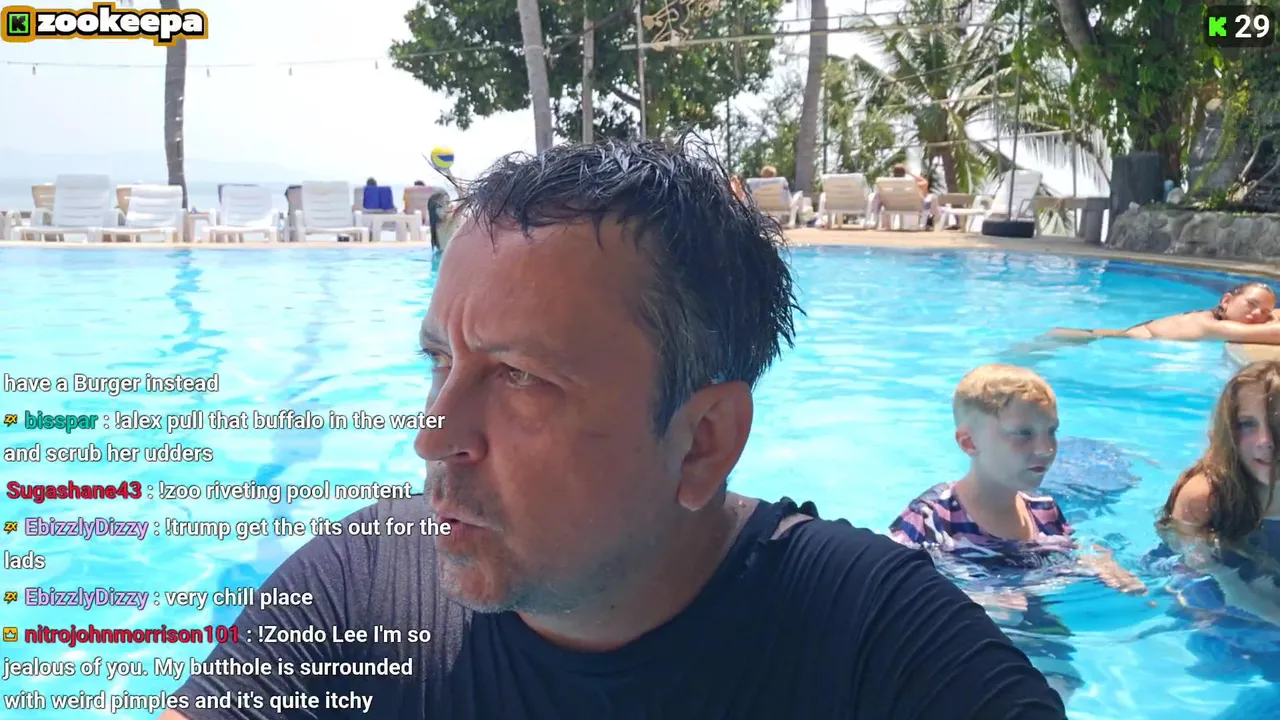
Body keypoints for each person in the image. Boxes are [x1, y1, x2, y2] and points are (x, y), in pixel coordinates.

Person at [163, 140, 1066, 720]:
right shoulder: (362, 590)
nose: (433, 438)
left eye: (520, 377)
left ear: (703, 440)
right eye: (441, 361)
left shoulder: (874, 645)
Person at [888, 364, 1145, 592]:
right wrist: (976, 598)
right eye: (1023, 433)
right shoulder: (930, 519)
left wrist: (1096, 561)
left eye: (1051, 431)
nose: (1046, 449)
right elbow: (889, 587)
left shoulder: (1044, 511)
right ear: (969, 443)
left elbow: (1062, 560)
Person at [1157, 359, 1280, 625]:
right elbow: (1194, 573)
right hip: (1216, 605)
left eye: (1277, 423)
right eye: (1247, 424)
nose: (1266, 441)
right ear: (1228, 432)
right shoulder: (1205, 497)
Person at [1045, 282, 1279, 344]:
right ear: (1226, 300)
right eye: (1251, 304)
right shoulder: (1211, 326)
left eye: (1264, 313)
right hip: (1127, 339)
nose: (1256, 314)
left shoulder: (1212, 319)